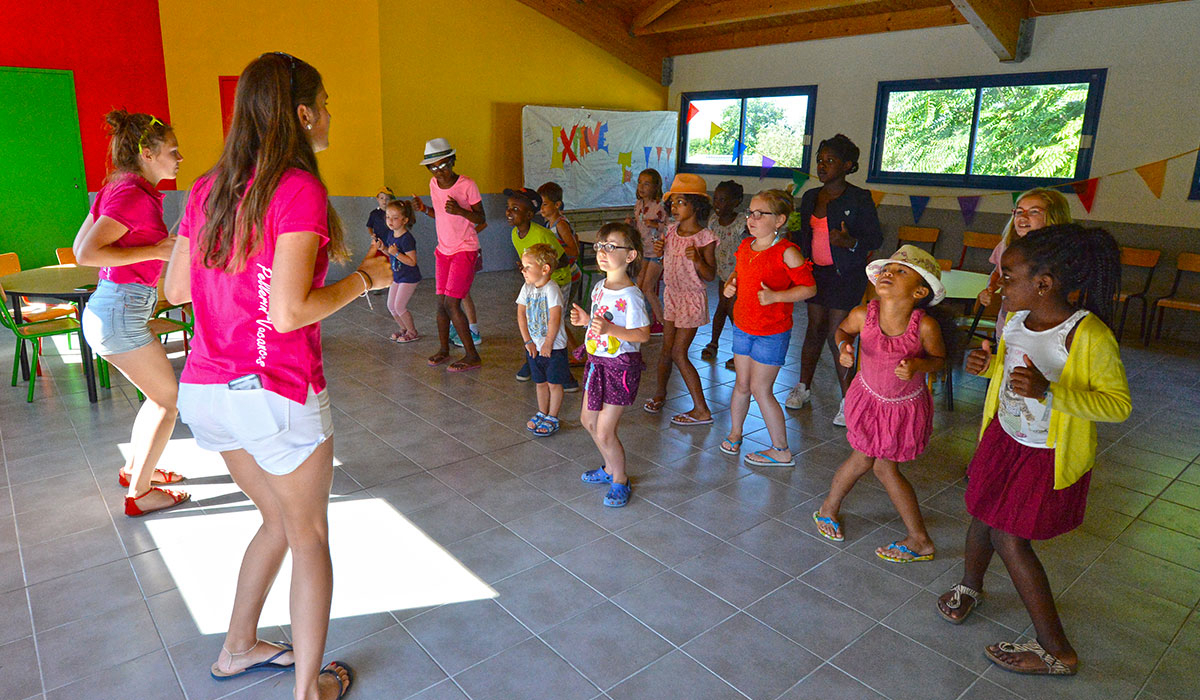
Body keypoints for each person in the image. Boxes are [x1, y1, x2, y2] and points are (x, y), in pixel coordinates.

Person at [165, 51, 388, 700]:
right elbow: (290, 312)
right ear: (300, 113)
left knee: (276, 521)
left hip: (206, 391)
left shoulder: (206, 187)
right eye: (324, 105)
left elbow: (177, 288)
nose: (329, 117)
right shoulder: (298, 188)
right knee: (310, 534)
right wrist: (364, 280)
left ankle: (238, 649)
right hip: (274, 394)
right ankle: (308, 690)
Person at [936, 224, 1129, 677]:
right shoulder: (1019, 321)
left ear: (1043, 284)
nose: (999, 285)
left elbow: (1117, 406)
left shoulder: (1088, 336)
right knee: (982, 513)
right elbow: (1012, 377)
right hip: (1005, 437)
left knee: (1009, 536)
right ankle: (971, 587)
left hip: (1044, 451)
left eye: (1008, 277)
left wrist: (1052, 392)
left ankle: (1056, 650)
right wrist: (987, 369)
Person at [73, 110, 189, 516]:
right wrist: (156, 250)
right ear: (147, 152)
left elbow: (78, 244)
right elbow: (85, 254)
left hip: (115, 307)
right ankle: (140, 494)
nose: (179, 159)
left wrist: (155, 248)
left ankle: (137, 469)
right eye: (172, 151)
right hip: (120, 310)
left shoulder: (119, 187)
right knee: (167, 400)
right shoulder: (131, 194)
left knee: (157, 398)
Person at [812, 246, 953, 564]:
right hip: (870, 400)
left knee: (878, 465)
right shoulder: (864, 315)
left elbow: (939, 360)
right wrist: (844, 347)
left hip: (901, 407)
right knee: (873, 463)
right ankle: (914, 536)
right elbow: (842, 331)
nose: (889, 273)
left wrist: (918, 366)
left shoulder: (925, 327)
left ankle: (831, 510)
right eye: (887, 270)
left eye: (901, 271)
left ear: (919, 291)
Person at [784, 134, 882, 426]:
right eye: (820, 160)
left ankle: (848, 399)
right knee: (813, 329)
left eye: (830, 161)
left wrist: (849, 241)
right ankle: (803, 386)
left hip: (845, 275)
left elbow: (875, 238)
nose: (822, 165)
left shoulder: (859, 197)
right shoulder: (812, 196)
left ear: (848, 166)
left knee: (837, 334)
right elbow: (803, 233)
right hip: (815, 273)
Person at [719, 190, 815, 467]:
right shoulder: (746, 246)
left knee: (761, 389)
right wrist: (731, 284)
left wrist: (777, 297)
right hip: (743, 327)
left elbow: (809, 288)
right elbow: (739, 272)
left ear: (780, 220)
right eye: (751, 212)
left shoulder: (787, 252)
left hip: (772, 331)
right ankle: (736, 433)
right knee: (741, 385)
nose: (753, 218)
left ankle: (781, 450)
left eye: (762, 214)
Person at [572, 223, 651, 507]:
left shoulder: (632, 296)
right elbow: (599, 325)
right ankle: (608, 468)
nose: (602, 252)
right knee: (587, 420)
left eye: (611, 246)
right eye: (599, 246)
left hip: (620, 367)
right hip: (597, 363)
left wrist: (609, 330)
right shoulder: (598, 287)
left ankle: (620, 479)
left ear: (630, 255)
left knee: (605, 430)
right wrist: (586, 322)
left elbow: (642, 334)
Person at [642, 174, 718, 426]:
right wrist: (661, 253)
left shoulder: (704, 237)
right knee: (666, 350)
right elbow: (667, 259)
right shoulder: (671, 230)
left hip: (691, 299)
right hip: (672, 295)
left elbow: (710, 275)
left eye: (681, 202)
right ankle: (660, 394)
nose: (674, 208)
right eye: (672, 202)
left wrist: (697, 259)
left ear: (696, 206)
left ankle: (701, 410)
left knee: (678, 352)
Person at [410, 138, 485, 372]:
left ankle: (472, 355)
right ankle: (444, 349)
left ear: (452, 161)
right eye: (433, 167)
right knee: (441, 303)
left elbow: (481, 218)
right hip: (443, 250)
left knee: (453, 303)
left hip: (465, 248)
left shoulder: (467, 184)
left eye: (443, 165)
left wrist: (461, 210)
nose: (439, 171)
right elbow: (442, 216)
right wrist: (424, 210)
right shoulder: (433, 184)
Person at [505, 187, 579, 392]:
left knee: (552, 324)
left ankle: (564, 375)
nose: (509, 212)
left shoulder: (542, 234)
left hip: (558, 281)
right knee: (534, 320)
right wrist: (528, 269)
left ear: (529, 214)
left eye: (515, 208)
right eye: (508, 208)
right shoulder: (514, 234)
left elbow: (563, 259)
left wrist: (546, 277)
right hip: (536, 282)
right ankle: (532, 360)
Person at [977, 188, 1072, 341]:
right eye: (1019, 212)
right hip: (1008, 325)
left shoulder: (1059, 252)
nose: (1023, 217)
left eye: (1034, 212)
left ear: (1054, 216)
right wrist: (990, 289)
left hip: (1043, 329)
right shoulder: (1006, 245)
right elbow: (997, 273)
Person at [517, 244, 570, 437]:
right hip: (533, 347)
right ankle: (542, 411)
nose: (524, 271)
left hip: (553, 348)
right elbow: (521, 315)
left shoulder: (552, 289)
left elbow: (555, 318)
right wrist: (527, 341)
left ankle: (553, 416)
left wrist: (548, 342)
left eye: (528, 266)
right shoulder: (527, 288)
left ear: (545, 269)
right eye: (523, 266)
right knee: (539, 382)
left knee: (554, 383)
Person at [537, 181, 585, 363]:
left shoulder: (560, 225)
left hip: (570, 275)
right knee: (557, 316)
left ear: (557, 205)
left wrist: (556, 255)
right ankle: (572, 351)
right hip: (560, 276)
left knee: (559, 317)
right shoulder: (548, 224)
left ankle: (576, 354)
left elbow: (574, 250)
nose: (541, 208)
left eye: (545, 204)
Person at [702, 180, 747, 365]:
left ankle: (741, 351)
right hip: (723, 273)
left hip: (739, 274)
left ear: (736, 201)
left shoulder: (741, 222)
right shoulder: (713, 220)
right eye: (716, 199)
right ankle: (713, 342)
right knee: (722, 306)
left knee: (733, 310)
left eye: (723, 200)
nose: (718, 204)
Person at [627, 168, 666, 335]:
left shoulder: (660, 206)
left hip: (657, 252)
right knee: (639, 286)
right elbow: (641, 226)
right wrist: (632, 224)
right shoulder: (639, 204)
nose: (642, 187)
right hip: (644, 251)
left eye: (647, 184)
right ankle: (645, 319)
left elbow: (671, 227)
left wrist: (657, 225)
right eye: (640, 183)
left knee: (648, 288)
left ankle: (662, 322)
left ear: (656, 187)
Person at [382, 199, 421, 342]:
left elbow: (412, 261)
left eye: (395, 218)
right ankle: (403, 328)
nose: (390, 221)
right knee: (391, 306)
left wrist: (397, 253)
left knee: (399, 306)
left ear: (404, 220)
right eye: (387, 217)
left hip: (409, 277)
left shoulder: (407, 239)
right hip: (397, 276)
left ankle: (412, 332)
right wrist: (383, 249)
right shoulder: (391, 234)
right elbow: (391, 253)